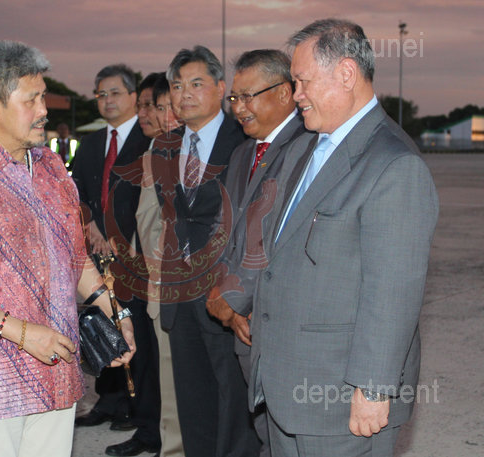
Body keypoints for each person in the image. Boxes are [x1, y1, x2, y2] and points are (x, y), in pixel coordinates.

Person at [0, 41, 135, 457]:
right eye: (30, 100)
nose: (43, 110)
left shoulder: (53, 169)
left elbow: (75, 257)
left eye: (43, 98)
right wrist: (23, 333)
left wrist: (116, 313)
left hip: (58, 367)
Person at [249, 19, 438, 457]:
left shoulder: (394, 165)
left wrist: (373, 387)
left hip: (337, 402)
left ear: (346, 74)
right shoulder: (304, 147)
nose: (296, 95)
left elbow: (393, 291)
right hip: (284, 386)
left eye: (302, 82)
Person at [154, 45, 257, 457]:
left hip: (225, 294)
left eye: (196, 84)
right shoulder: (164, 147)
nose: (184, 94)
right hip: (179, 297)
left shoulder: (244, 142)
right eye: (177, 86)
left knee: (234, 404)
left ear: (220, 88)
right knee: (192, 402)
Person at [205, 49, 305, 457]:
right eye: (234, 98)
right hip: (242, 322)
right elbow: (225, 229)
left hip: (274, 320)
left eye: (248, 97)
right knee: (266, 431)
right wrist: (220, 294)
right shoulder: (244, 152)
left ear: (284, 93)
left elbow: (274, 239)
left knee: (289, 434)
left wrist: (232, 301)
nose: (238, 108)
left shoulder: (306, 147)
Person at [71, 64, 159, 457]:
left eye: (114, 93)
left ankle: (138, 411)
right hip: (97, 254)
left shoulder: (147, 138)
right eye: (100, 94)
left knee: (134, 329)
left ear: (132, 96)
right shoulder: (90, 143)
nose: (107, 101)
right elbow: (77, 192)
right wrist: (89, 226)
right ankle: (108, 401)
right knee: (103, 326)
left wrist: (118, 237)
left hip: (134, 254)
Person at [135, 72, 185, 457]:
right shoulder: (155, 152)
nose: (167, 117)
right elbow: (148, 222)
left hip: (211, 291)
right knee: (172, 396)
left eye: (173, 107)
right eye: (161, 107)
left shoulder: (222, 146)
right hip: (165, 288)